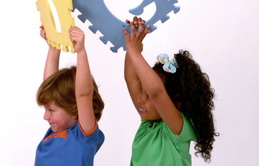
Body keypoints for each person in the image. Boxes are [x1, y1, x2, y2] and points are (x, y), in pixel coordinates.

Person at [122, 17, 218, 165]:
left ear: (176, 104)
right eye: (143, 92)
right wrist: (134, 43)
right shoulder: (148, 124)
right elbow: (132, 80)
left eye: (148, 96)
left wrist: (135, 52)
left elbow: (157, 92)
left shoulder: (178, 129)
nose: (140, 99)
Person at [35, 26, 105, 166]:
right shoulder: (54, 133)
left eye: (51, 110)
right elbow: (49, 85)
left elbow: (84, 95)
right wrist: (53, 47)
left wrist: (81, 51)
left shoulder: (83, 136)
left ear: (74, 108)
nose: (46, 117)